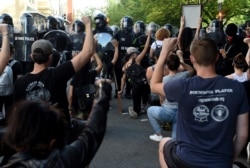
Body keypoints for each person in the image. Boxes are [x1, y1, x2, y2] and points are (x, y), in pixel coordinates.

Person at [151, 37, 249, 168]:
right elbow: (242, 135)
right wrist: (228, 161)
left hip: (186, 160)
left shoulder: (183, 86)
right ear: (217, 57)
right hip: (220, 162)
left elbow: (154, 85)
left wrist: (164, 52)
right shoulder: (237, 88)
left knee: (164, 142)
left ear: (192, 59)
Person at [1, 80, 112, 167]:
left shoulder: (12, 160)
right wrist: (102, 90)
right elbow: (91, 134)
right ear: (52, 143)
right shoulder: (59, 162)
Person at [13, 16, 94, 135]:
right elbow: (88, 52)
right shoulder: (57, 74)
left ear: (31, 57)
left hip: (32, 137)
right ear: (51, 57)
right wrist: (88, 25)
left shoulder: (20, 83)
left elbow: (17, 114)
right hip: (58, 138)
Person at [147, 50, 194, 141]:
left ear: (167, 66)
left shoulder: (165, 79)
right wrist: (180, 61)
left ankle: (158, 133)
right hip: (181, 111)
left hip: (167, 110)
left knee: (150, 110)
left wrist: (162, 101)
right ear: (178, 65)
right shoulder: (183, 76)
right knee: (175, 139)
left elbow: (162, 96)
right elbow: (191, 69)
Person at [118, 31, 151, 118]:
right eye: (136, 53)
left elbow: (123, 78)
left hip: (134, 86)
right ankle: (143, 107)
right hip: (143, 84)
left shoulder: (125, 66)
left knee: (136, 106)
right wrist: (149, 36)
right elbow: (146, 48)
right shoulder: (137, 60)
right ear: (133, 54)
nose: (137, 54)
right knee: (145, 95)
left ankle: (137, 110)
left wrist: (121, 90)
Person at [0, 42, 23, 126]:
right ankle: (8, 123)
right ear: (13, 51)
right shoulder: (16, 64)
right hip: (10, 91)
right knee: (9, 108)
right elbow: (19, 79)